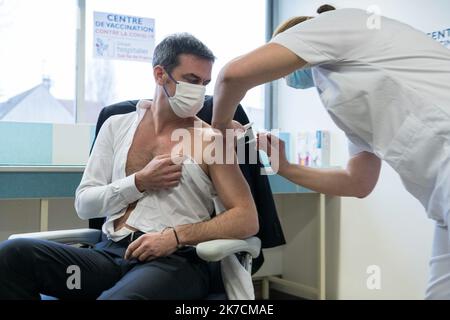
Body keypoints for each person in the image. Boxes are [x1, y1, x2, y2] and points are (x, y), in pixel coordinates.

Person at [211, 4, 450, 299]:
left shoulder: (338, 23)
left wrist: (219, 128)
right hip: (440, 202)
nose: (284, 76)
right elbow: (357, 182)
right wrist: (284, 166)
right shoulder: (347, 92)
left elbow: (231, 76)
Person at [0, 33, 258, 300]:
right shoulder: (116, 126)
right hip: (109, 257)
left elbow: (247, 218)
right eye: (192, 80)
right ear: (160, 75)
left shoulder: (212, 140)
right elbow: (85, 204)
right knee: (12, 256)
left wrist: (175, 237)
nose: (200, 92)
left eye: (205, 83)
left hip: (173, 263)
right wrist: (138, 182)